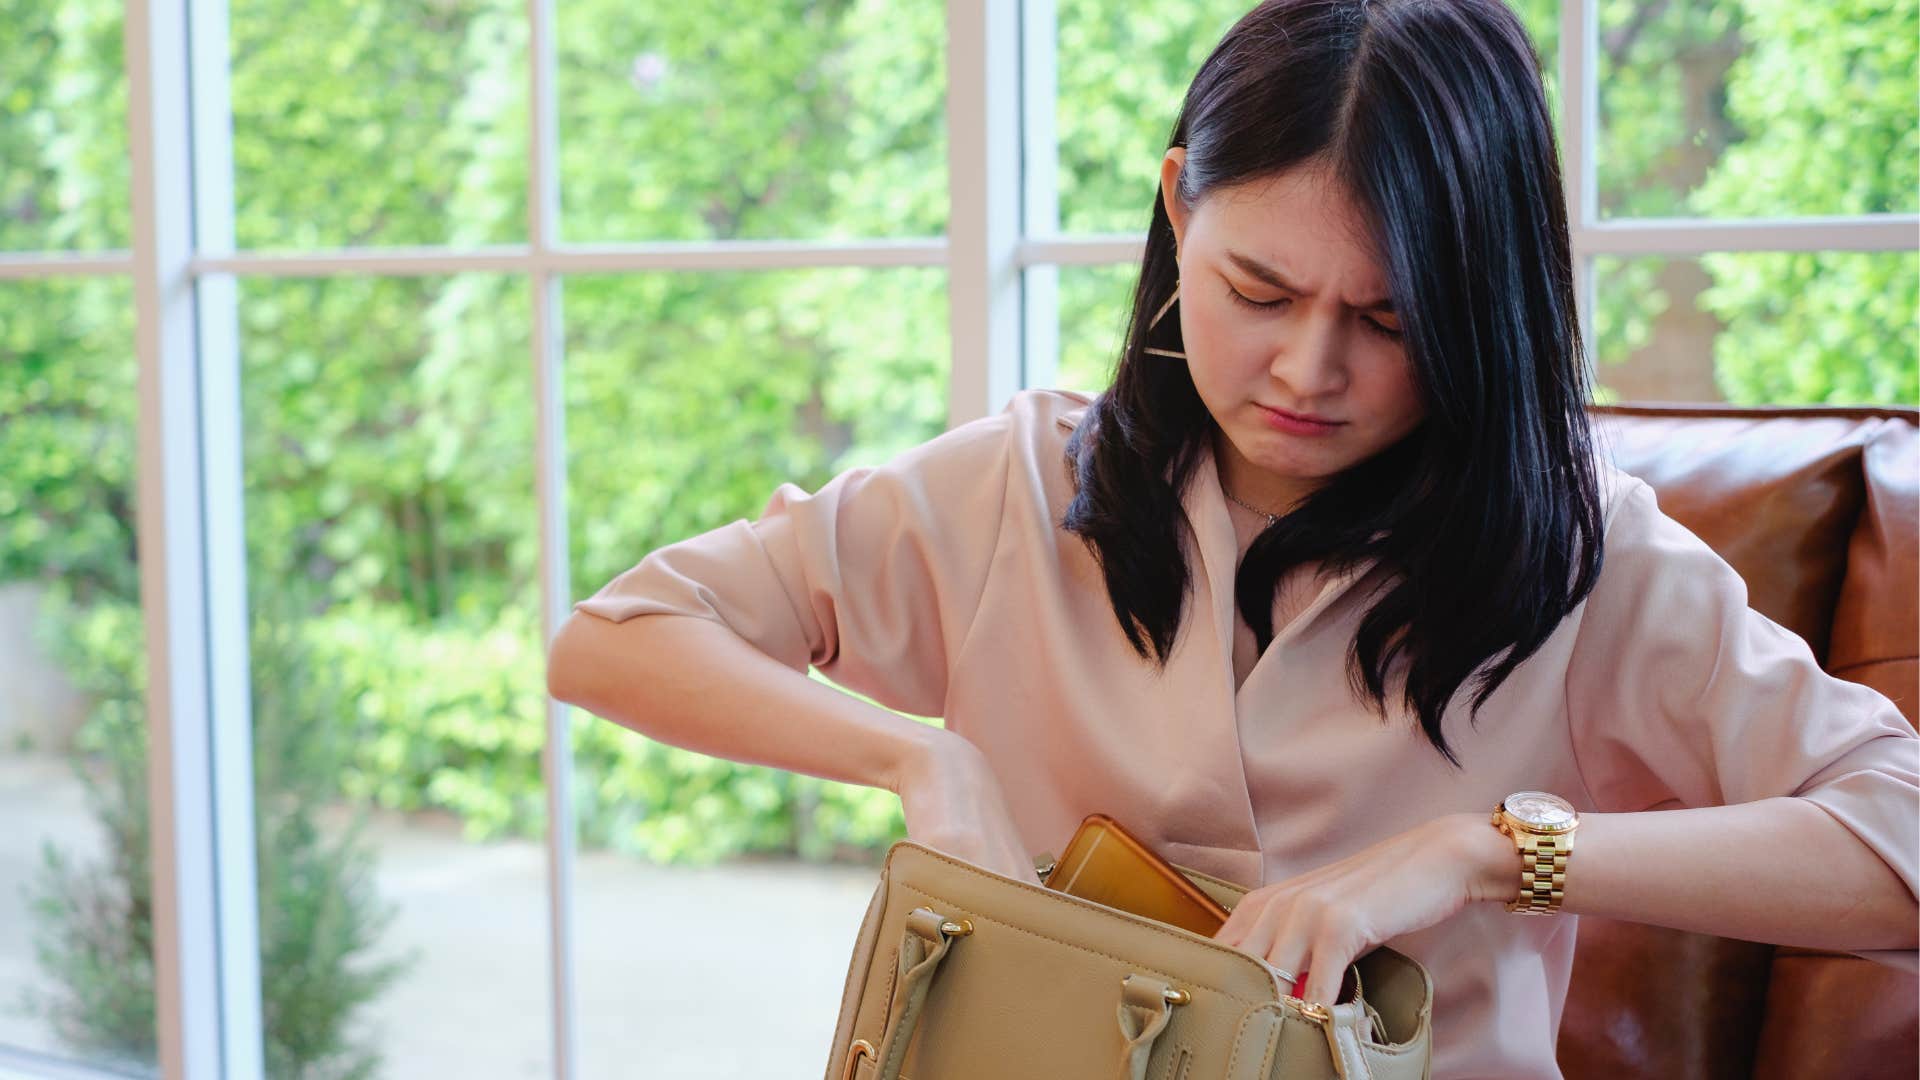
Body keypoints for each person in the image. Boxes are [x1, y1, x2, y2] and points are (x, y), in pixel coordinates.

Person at [545, 0, 1920, 1075]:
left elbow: (1898, 842)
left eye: (1388, 324)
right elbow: (613, 639)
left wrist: (1484, 854)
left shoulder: (1579, 557)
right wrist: (923, 759)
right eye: (1256, 290)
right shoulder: (1018, 488)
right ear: (1175, 208)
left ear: (1480, 307)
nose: (1307, 372)